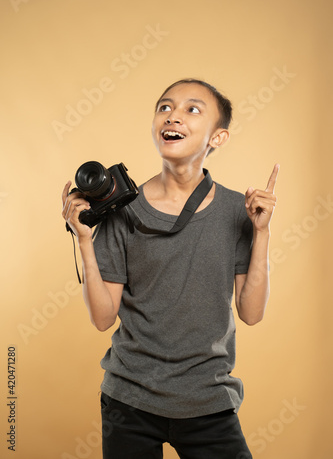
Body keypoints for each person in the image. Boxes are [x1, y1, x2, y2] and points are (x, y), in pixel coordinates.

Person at [62, 78, 279, 459]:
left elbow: (252, 313)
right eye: (165, 107)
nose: (173, 116)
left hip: (208, 400)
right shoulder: (121, 209)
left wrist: (261, 232)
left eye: (192, 110)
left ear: (218, 137)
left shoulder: (236, 210)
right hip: (129, 400)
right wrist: (83, 239)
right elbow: (101, 318)